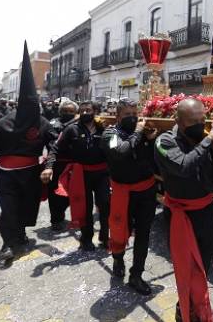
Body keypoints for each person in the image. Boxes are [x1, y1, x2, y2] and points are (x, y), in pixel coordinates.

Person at [0, 43, 56, 266]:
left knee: (26, 206)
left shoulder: (42, 123)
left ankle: (21, 234)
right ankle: (8, 243)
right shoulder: (3, 124)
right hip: (6, 175)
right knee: (7, 209)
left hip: (32, 174)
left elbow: (55, 143)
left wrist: (49, 165)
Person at [154, 98, 213, 322]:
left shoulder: (202, 138)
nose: (201, 124)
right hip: (181, 215)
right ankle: (184, 310)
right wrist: (208, 142)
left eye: (203, 119)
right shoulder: (164, 141)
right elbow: (184, 166)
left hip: (205, 210)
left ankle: (192, 305)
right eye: (194, 121)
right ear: (179, 121)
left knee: (203, 265)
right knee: (186, 267)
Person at [101, 98, 158, 295]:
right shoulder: (111, 133)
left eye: (135, 114)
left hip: (146, 191)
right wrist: (138, 133)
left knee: (143, 234)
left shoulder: (142, 133)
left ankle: (137, 275)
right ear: (117, 116)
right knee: (119, 229)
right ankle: (118, 259)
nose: (132, 118)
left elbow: (153, 161)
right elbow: (120, 152)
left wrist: (151, 142)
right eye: (127, 115)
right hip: (122, 192)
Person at [42, 101, 109, 251]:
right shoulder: (71, 129)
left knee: (105, 205)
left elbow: (113, 149)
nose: (85, 113)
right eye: (83, 110)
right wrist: (49, 167)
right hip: (81, 174)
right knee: (85, 208)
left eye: (89, 110)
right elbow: (55, 149)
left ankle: (105, 237)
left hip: (102, 174)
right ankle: (86, 239)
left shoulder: (103, 128)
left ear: (95, 111)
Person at [45, 100, 78, 231]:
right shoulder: (54, 123)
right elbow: (56, 140)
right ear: (60, 112)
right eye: (65, 111)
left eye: (71, 112)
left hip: (74, 163)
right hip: (57, 162)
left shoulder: (80, 124)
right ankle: (56, 219)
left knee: (71, 193)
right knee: (54, 193)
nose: (68, 113)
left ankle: (62, 213)